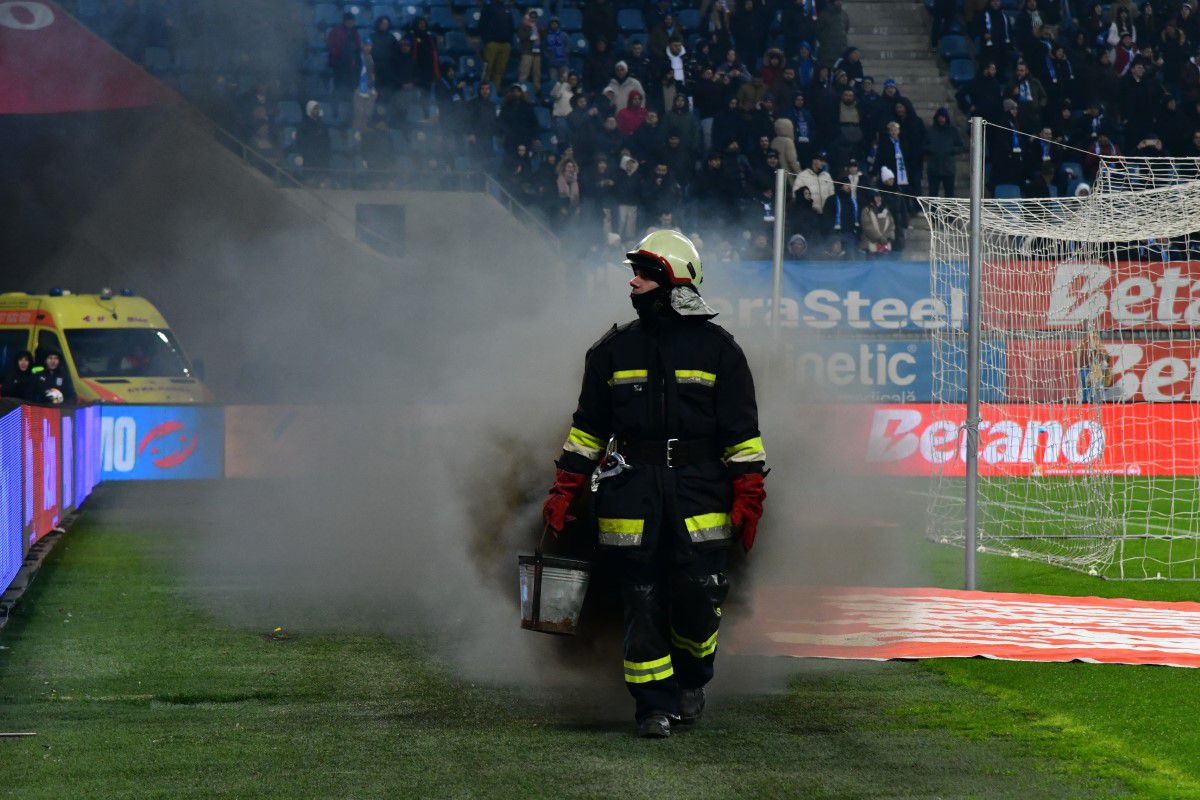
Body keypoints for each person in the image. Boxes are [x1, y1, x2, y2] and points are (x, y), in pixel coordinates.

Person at [541, 229, 767, 738]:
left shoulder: (720, 352)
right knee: (640, 599)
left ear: (673, 279)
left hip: (700, 493)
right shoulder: (611, 352)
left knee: (698, 596)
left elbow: (742, 438)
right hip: (631, 493)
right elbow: (586, 432)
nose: (633, 282)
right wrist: (565, 488)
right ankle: (652, 706)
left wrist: (749, 495)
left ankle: (692, 681)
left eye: (643, 273)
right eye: (634, 272)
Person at [480, 0, 515, 89]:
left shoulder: (507, 8)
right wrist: (487, 40)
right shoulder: (488, 7)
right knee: (487, 69)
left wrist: (509, 42)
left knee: (500, 71)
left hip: (505, 45)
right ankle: (483, 92)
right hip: (492, 44)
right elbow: (482, 24)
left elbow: (511, 26)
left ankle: (494, 92)